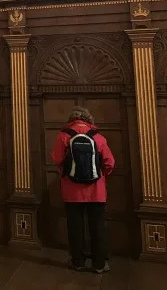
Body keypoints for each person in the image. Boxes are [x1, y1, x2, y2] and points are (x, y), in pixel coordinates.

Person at [51, 106, 115, 274]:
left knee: (75, 226)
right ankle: (99, 264)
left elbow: (57, 159)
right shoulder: (98, 137)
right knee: (97, 226)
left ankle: (77, 261)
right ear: (89, 119)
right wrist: (101, 177)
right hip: (96, 190)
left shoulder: (63, 136)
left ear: (71, 119)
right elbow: (110, 163)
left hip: (71, 190)